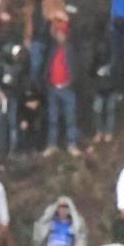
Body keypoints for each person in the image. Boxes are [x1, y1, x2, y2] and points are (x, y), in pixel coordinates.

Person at [44, 23, 80, 156]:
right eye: (58, 34)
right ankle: (52, 145)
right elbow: (48, 66)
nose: (60, 36)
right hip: (53, 88)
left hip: (67, 88)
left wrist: (70, 82)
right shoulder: (53, 49)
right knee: (53, 118)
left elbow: (75, 67)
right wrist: (48, 81)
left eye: (62, 33)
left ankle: (72, 145)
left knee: (70, 118)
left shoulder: (70, 49)